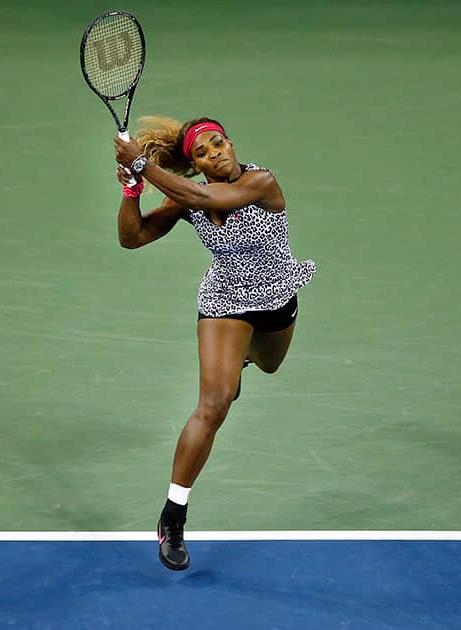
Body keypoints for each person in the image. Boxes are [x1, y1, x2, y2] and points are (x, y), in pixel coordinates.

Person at [112, 116, 316, 571]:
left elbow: (204, 196)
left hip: (276, 296)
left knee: (268, 366)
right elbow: (133, 238)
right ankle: (173, 516)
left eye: (218, 143)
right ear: (196, 164)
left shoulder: (260, 181)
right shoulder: (186, 198)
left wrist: (142, 164)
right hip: (225, 301)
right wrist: (131, 189)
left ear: (231, 142)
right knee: (214, 403)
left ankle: (239, 361)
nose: (216, 153)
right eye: (203, 153)